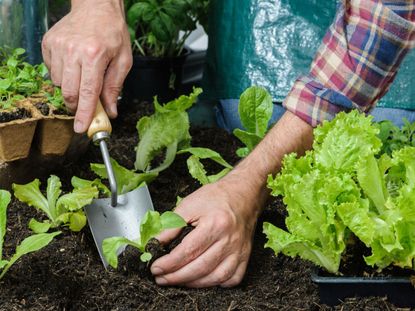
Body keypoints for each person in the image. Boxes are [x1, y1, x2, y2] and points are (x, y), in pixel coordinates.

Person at [42, 0, 415, 288]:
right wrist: (97, 7)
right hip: (254, 35)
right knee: (239, 115)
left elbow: (383, 18)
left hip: (381, 67)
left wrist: (246, 190)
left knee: (383, 134)